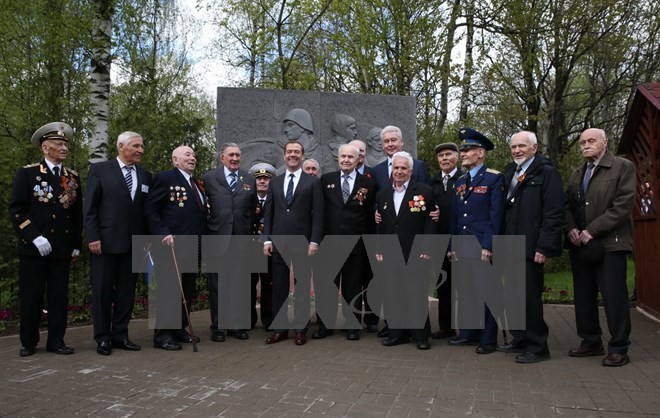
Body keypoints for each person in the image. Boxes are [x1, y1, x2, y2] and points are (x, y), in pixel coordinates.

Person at [9, 122, 82, 357]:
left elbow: (76, 215)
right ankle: (28, 342)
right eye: (59, 144)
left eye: (66, 145)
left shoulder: (72, 178)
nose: (64, 148)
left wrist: (75, 246)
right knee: (31, 296)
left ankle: (56, 341)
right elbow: (17, 210)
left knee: (59, 297)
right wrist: (34, 237)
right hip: (34, 249)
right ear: (45, 147)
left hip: (61, 248)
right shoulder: (28, 173)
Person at [564, 128, 635, 367]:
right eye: (582, 142)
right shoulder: (577, 173)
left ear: (605, 143)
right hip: (580, 245)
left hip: (609, 244)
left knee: (614, 296)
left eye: (591, 140)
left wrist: (592, 230)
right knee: (583, 296)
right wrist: (571, 228)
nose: (585, 145)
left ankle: (619, 347)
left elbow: (623, 205)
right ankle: (590, 341)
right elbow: (566, 206)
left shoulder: (622, 167)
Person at [497, 131, 564, 363]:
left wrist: (544, 247)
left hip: (531, 246)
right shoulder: (510, 172)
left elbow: (554, 213)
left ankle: (538, 346)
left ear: (534, 148)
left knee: (529, 297)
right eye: (513, 146)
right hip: (509, 244)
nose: (517, 150)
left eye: (522, 146)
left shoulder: (547, 173)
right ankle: (520, 338)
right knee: (513, 296)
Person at [85, 131, 152, 355]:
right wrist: (93, 237)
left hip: (133, 244)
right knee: (103, 291)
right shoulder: (100, 170)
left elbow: (145, 211)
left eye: (142, 146)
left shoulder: (144, 175)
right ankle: (102, 337)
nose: (140, 150)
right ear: (121, 146)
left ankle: (120, 335)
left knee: (126, 292)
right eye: (136, 146)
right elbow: (91, 208)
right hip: (105, 243)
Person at [448, 128, 505, 355]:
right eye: (462, 150)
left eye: (468, 149)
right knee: (468, 290)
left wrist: (488, 245)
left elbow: (496, 215)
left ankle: (488, 338)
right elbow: (456, 216)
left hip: (482, 244)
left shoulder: (494, 177)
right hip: (464, 244)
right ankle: (469, 333)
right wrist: (453, 246)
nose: (463, 153)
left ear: (480, 153)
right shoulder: (461, 181)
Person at [144, 146, 206, 351]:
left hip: (191, 246)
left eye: (193, 155)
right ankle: (162, 335)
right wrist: (162, 232)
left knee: (186, 290)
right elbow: (151, 208)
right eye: (187, 155)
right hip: (171, 245)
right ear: (175, 160)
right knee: (169, 290)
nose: (192, 158)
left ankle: (179, 329)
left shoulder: (195, 184)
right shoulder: (166, 178)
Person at [262, 140, 324, 346]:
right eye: (289, 152)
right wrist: (266, 240)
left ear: (302, 155)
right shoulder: (276, 182)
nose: (293, 155)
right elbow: (268, 213)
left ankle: (300, 329)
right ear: (284, 155)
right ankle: (280, 329)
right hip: (279, 242)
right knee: (278, 287)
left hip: (303, 242)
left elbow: (318, 215)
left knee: (302, 286)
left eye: (296, 152)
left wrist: (315, 240)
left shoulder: (312, 182)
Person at [313, 144, 376, 341]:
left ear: (358, 160)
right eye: (343, 156)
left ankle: (352, 326)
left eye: (351, 157)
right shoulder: (326, 180)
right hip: (329, 243)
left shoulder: (368, 183)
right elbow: (320, 212)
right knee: (326, 287)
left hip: (355, 245)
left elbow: (369, 217)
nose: (346, 160)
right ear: (338, 159)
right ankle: (325, 326)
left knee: (352, 287)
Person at [375, 151, 436, 350]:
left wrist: (427, 248)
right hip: (391, 251)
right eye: (396, 167)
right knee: (393, 293)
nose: (399, 171)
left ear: (410, 171)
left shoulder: (424, 191)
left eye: (403, 168)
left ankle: (420, 336)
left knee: (416, 293)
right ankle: (396, 334)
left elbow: (431, 221)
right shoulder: (382, 194)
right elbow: (380, 225)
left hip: (416, 250)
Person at [202, 143, 257, 342]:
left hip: (241, 241)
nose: (235, 158)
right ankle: (218, 326)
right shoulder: (209, 178)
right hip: (218, 239)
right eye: (231, 155)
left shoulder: (249, 179)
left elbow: (251, 210)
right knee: (217, 285)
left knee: (238, 284)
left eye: (238, 155)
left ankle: (236, 326)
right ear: (222, 158)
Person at [428, 142, 461, 340]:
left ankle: (468, 329)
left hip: (460, 240)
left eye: (448, 154)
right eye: (441, 156)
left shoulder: (464, 180)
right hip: (439, 242)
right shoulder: (433, 183)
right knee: (444, 286)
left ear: (456, 157)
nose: (445, 158)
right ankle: (446, 327)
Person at [248, 162, 276, 330]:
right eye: (259, 179)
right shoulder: (248, 198)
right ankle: (249, 319)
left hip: (269, 249)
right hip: (251, 248)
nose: (262, 182)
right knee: (249, 284)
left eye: (266, 179)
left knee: (268, 285)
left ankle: (268, 319)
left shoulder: (275, 199)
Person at [372, 125, 429, 191]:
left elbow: (425, 192)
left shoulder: (418, 166)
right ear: (383, 145)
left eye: (393, 140)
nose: (390, 144)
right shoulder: (376, 171)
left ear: (401, 142)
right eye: (386, 141)